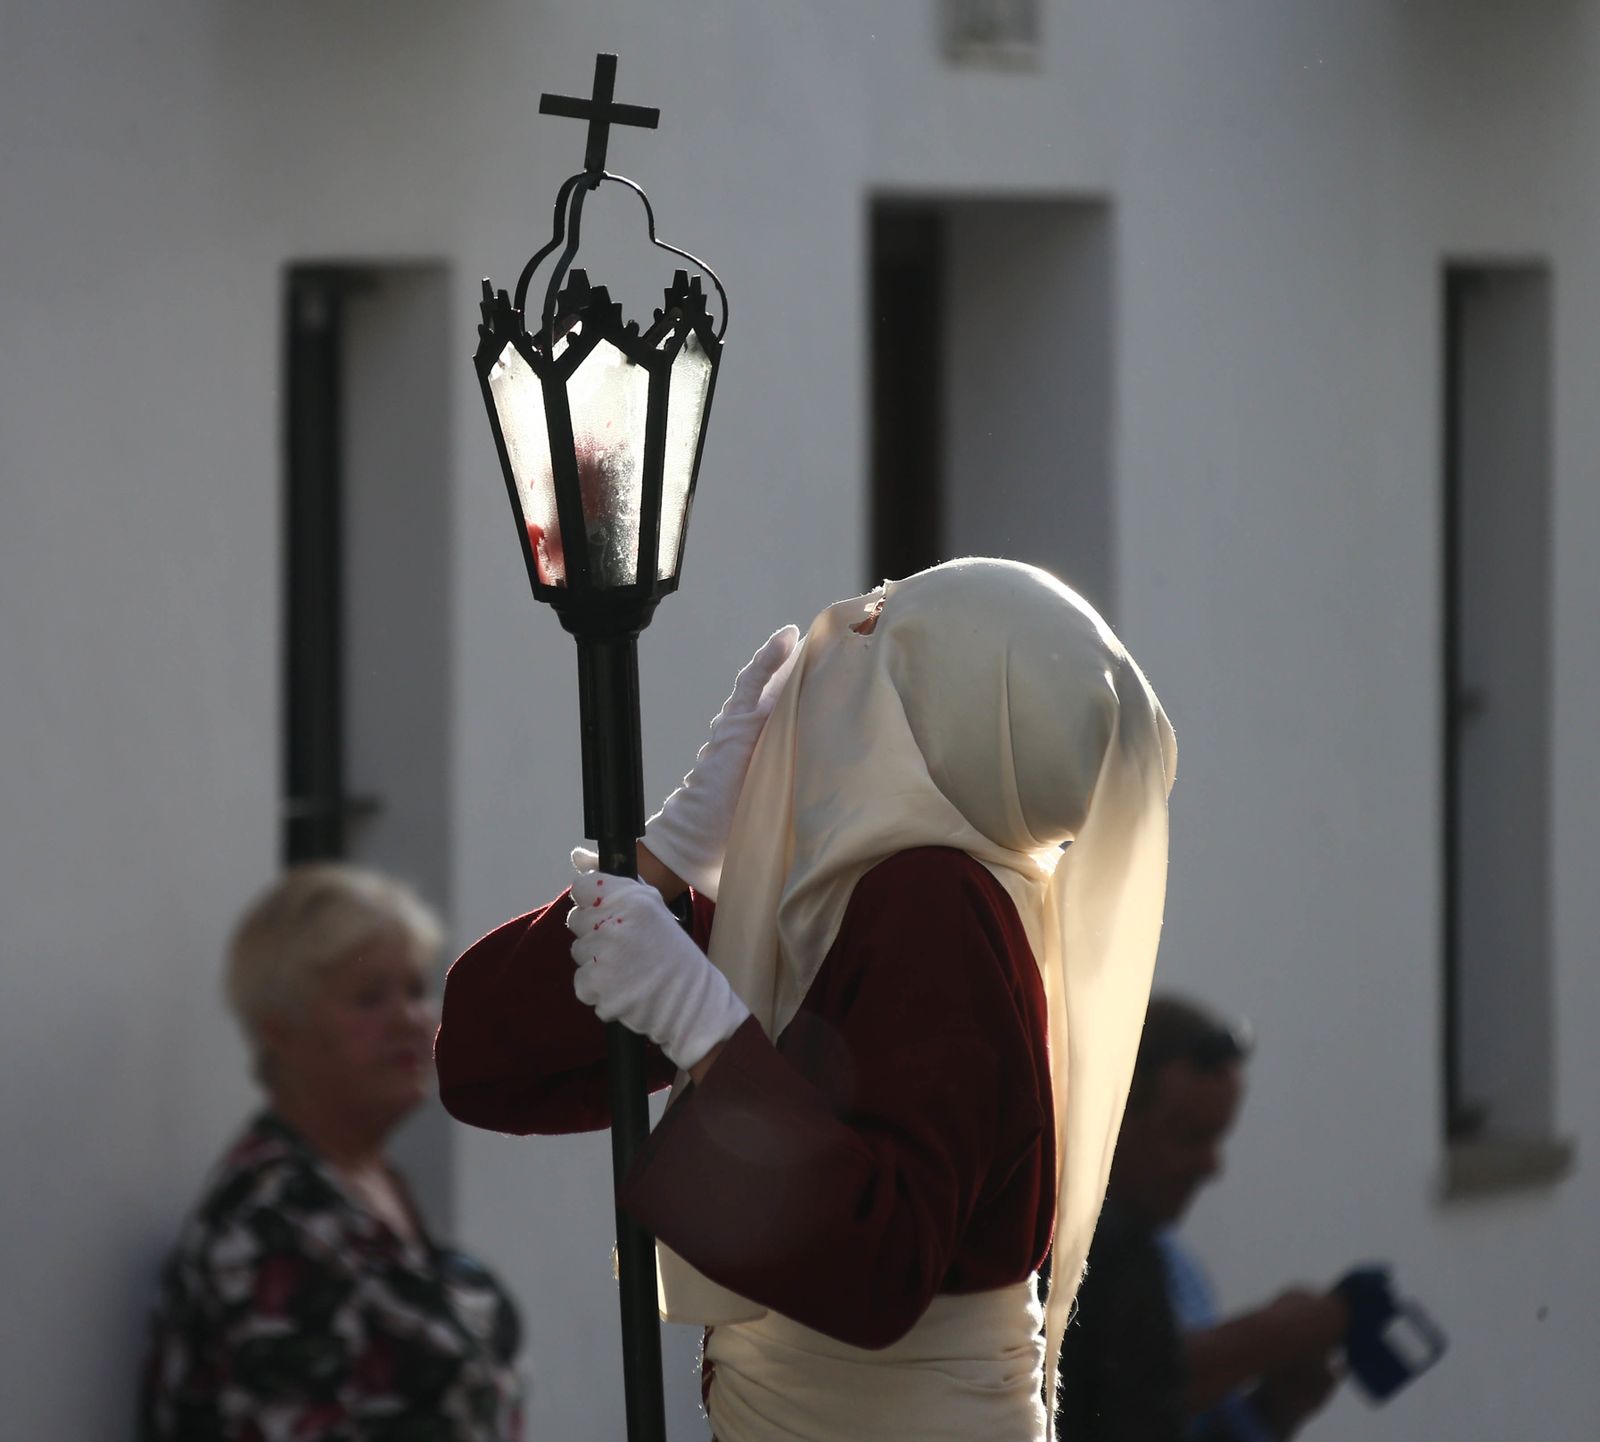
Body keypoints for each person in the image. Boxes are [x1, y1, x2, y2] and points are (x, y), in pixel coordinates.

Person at [437, 557, 1176, 1442]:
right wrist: (667, 853)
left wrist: (709, 1032)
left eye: (874, 637)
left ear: (936, 712)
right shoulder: (838, 896)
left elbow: (881, 1259)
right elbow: (482, 1060)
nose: (836, 647)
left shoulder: (933, 902)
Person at [140, 864, 523, 1442]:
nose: (410, 1019)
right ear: (279, 1031)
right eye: (369, 997)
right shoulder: (266, 1225)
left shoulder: (368, 1182)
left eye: (416, 990)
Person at [1055, 995, 1347, 1442]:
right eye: (1189, 1136)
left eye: (1218, 1138)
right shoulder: (1048, 1258)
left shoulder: (1173, 1266)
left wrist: (1274, 1411)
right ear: (1111, 1119)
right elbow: (1126, 1382)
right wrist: (1274, 1335)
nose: (1212, 1166)